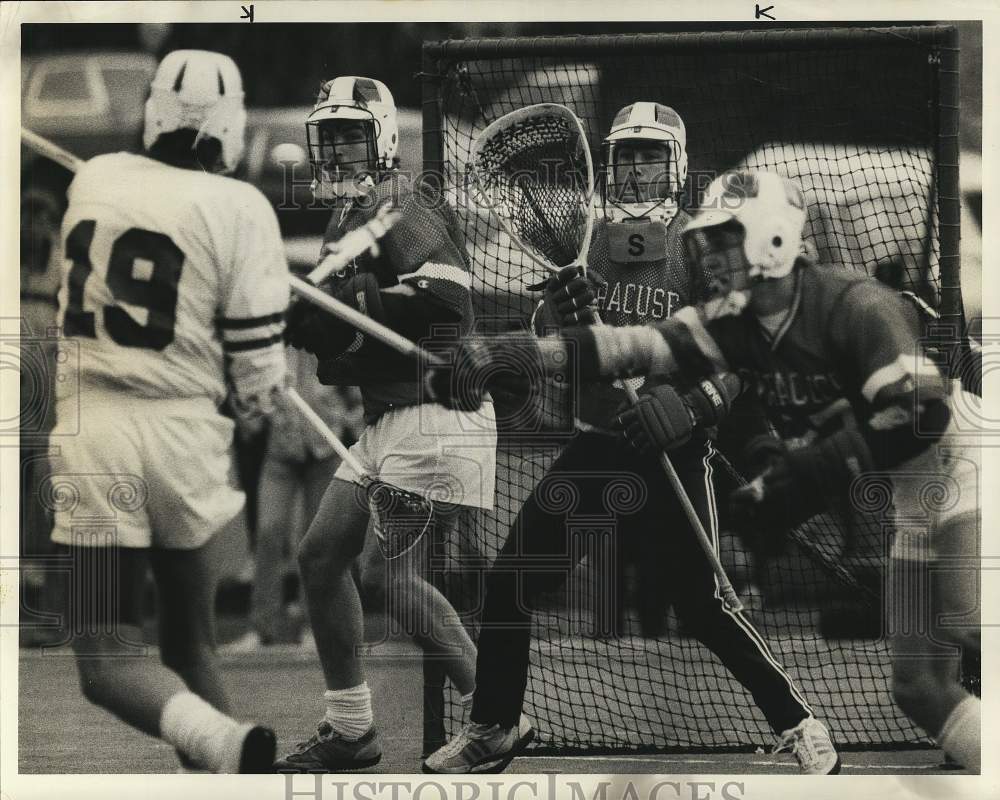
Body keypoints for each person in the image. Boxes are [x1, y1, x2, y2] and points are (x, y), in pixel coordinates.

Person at [429, 170, 981, 773]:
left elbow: (920, 418)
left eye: (725, 239)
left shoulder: (856, 305)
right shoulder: (736, 321)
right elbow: (630, 348)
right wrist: (504, 356)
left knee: (968, 618)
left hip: (960, 471)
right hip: (909, 504)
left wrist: (803, 470)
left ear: (773, 237)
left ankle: (799, 723)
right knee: (919, 689)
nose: (710, 255)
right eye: (708, 241)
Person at [422, 105, 839, 775]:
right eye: (625, 154)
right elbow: (552, 341)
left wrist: (691, 404)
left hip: (674, 448)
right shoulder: (591, 245)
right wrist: (549, 315)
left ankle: (799, 723)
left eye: (648, 153)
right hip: (600, 445)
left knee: (702, 606)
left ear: (674, 160)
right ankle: (497, 725)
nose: (635, 166)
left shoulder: (703, 246)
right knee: (512, 581)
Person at [48, 49, 288, 773]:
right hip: (188, 439)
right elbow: (259, 384)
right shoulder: (244, 207)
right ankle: (231, 762)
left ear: (154, 110)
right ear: (231, 123)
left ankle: (221, 742)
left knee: (106, 655)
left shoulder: (94, 178)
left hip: (95, 435)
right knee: (192, 646)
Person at [274, 76, 499, 772]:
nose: (338, 150)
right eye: (329, 136)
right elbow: (350, 353)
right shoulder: (345, 220)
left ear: (382, 141)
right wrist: (319, 331)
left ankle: (497, 715)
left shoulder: (403, 203)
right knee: (319, 558)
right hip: (388, 420)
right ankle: (352, 729)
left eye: (351, 135)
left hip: (435, 409)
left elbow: (446, 300)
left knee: (392, 580)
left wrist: (356, 305)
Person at [222, 345, 363, 652]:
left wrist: (343, 420)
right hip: (280, 454)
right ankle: (262, 629)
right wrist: (248, 414)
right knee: (269, 532)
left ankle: (316, 628)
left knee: (315, 541)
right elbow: (250, 408)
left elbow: (358, 398)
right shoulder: (270, 350)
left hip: (324, 453)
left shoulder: (329, 347)